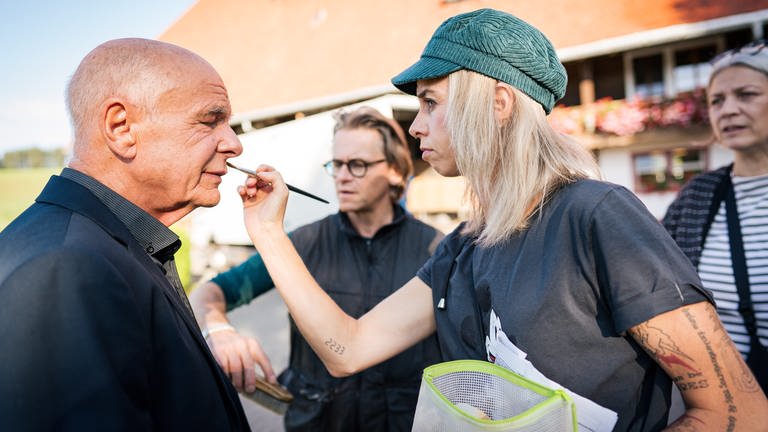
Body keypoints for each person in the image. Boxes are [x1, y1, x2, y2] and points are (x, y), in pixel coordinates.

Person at [237, 9, 768, 432]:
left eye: (430, 102)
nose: (416, 125)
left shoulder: (596, 216)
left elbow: (739, 412)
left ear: (496, 102)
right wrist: (267, 231)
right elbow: (348, 350)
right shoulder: (463, 244)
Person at [0, 39, 250, 430]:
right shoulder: (66, 269)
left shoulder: (108, 244)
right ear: (121, 128)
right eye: (209, 120)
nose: (234, 144)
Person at [190, 106, 443, 431]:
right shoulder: (301, 243)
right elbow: (209, 292)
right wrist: (219, 330)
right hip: (317, 422)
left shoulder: (436, 250)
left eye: (358, 165)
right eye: (336, 164)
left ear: (396, 171)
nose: (342, 176)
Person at [663, 39, 768, 393]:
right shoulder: (697, 196)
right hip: (723, 401)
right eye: (717, 100)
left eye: (747, 94)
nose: (728, 110)